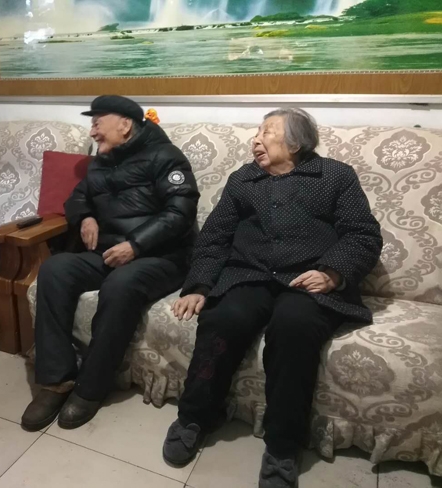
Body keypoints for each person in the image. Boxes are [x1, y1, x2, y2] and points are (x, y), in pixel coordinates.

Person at [162, 108, 382, 488]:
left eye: (267, 132)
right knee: (222, 319)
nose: (256, 140)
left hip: (307, 279)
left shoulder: (334, 176)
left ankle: (283, 446)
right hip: (249, 273)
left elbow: (362, 234)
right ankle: (194, 416)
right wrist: (199, 286)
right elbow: (215, 237)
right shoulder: (243, 179)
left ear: (295, 142)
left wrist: (332, 273)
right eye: (257, 133)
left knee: (294, 327)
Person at [21, 95, 200, 431]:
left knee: (121, 285)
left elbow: (181, 212)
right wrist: (85, 217)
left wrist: (136, 244)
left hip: (161, 256)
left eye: (97, 123)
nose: (92, 132)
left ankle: (91, 388)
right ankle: (56, 380)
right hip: (107, 253)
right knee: (55, 269)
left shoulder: (166, 157)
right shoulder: (102, 160)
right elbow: (77, 198)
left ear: (125, 125)